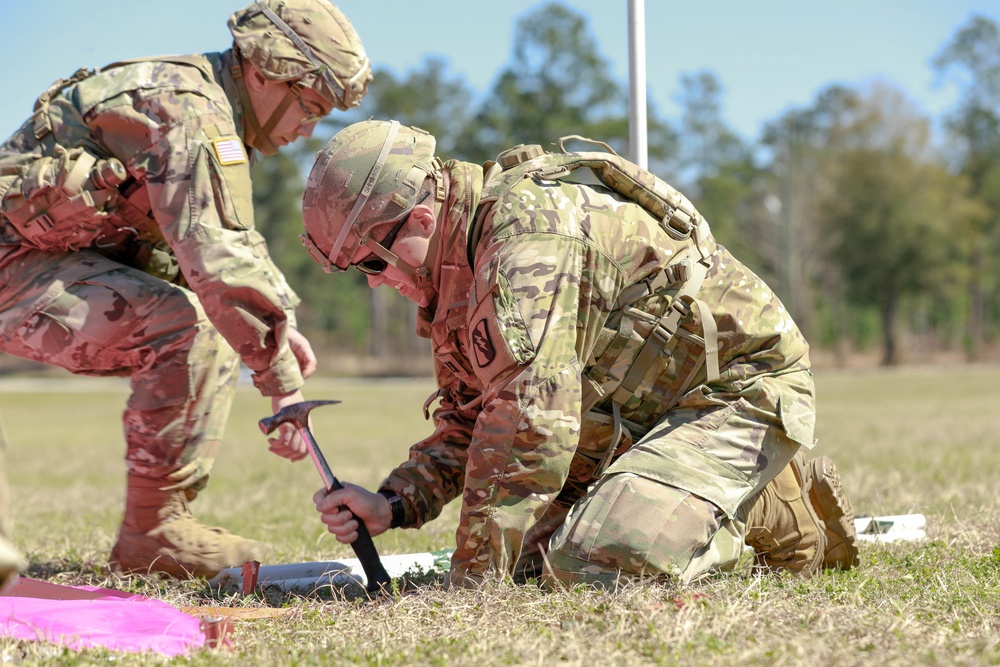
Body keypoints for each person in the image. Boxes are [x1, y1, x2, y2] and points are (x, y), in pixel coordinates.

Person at [299, 120, 860, 588]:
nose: (374, 284)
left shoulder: (527, 239)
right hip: (634, 418)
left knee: (596, 561)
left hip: (733, 390)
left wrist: (471, 590)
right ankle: (680, 491)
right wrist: (394, 502)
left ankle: (769, 505)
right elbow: (473, 417)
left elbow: (531, 424)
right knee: (531, 568)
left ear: (420, 220)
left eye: (371, 263)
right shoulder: (451, 270)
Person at [0, 0, 371, 580]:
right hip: (15, 263)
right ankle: (154, 533)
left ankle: (153, 531)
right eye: (310, 106)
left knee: (201, 322)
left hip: (41, 262)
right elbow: (216, 259)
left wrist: (283, 324)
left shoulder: (212, 116)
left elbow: (220, 240)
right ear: (265, 72)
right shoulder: (192, 113)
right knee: (190, 324)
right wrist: (282, 386)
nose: (308, 129)